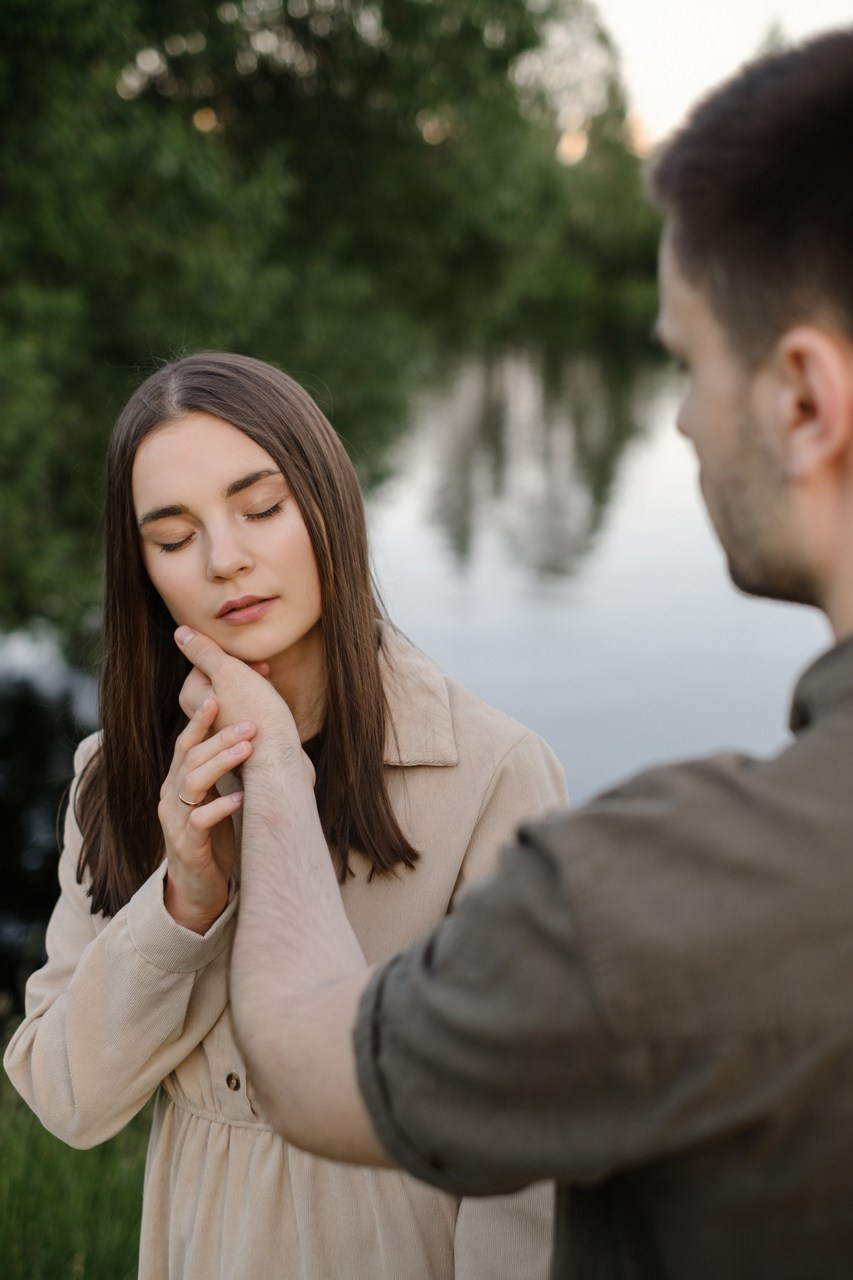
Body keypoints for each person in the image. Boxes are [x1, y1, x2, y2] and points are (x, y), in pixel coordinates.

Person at [160, 28, 853, 1280]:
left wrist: (269, 763)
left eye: (687, 363)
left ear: (804, 400)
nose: (686, 420)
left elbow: (317, 1054)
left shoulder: (655, 900)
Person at [3, 352, 568, 1279]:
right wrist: (184, 899)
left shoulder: (492, 774)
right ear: (142, 571)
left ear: (327, 506)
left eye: (260, 509)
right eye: (174, 537)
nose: (227, 560)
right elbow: (69, 1102)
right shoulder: (116, 776)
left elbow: (530, 1158)